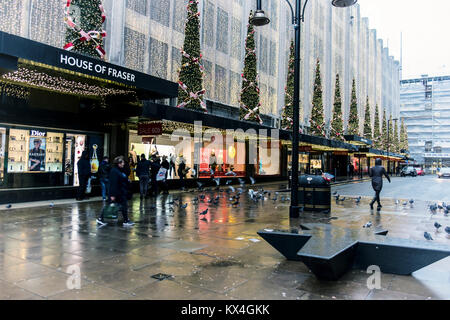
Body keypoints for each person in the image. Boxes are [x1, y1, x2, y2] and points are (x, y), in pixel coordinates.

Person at [97, 156, 134, 227]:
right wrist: (112, 195)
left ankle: (126, 220)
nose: (123, 164)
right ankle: (125, 220)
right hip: (117, 193)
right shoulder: (114, 171)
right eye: (122, 162)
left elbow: (122, 178)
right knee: (120, 205)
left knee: (123, 206)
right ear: (118, 163)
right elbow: (113, 183)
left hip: (119, 192)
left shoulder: (118, 170)